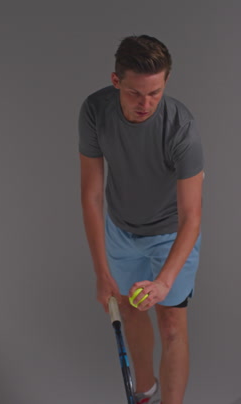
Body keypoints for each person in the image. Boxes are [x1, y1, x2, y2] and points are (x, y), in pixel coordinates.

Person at [78, 35, 204, 404]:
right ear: (117, 81)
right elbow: (91, 194)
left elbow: (192, 216)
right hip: (121, 229)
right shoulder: (94, 110)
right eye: (135, 93)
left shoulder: (181, 128)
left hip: (170, 234)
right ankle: (146, 390)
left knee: (170, 323)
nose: (146, 104)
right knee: (130, 310)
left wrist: (164, 281)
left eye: (155, 93)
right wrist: (101, 273)